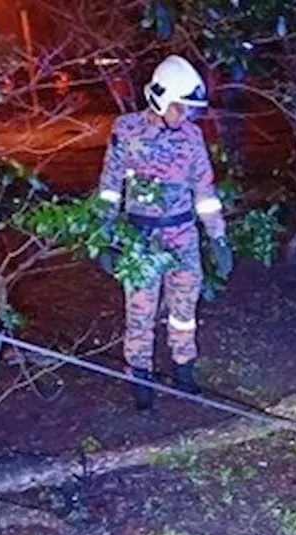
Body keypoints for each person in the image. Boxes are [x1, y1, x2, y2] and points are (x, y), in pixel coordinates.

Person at [97, 54, 232, 410]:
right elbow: (110, 187)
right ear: (160, 97)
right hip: (140, 240)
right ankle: (141, 384)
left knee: (184, 310)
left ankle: (183, 371)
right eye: (179, 107)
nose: (183, 115)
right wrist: (104, 238)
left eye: (188, 109)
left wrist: (217, 237)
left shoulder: (192, 136)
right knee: (140, 315)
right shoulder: (126, 130)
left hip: (182, 236)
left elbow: (204, 189)